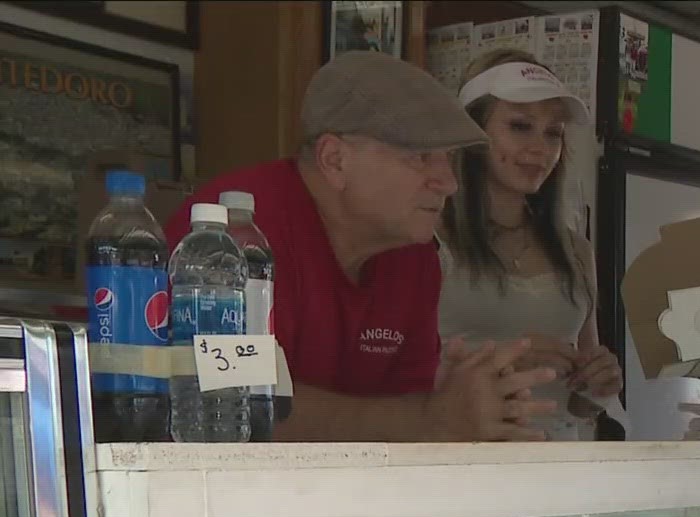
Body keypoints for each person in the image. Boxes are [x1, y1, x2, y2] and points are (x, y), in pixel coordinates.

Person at [167, 51, 556, 442]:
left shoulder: (415, 255)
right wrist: (429, 417)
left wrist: (463, 404)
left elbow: (406, 411)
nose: (448, 183)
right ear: (335, 160)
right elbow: (230, 404)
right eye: (420, 156)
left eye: (449, 159)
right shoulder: (231, 235)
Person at [438, 52, 622, 440]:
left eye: (553, 132)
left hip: (557, 474)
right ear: (471, 133)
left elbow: (578, 404)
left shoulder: (575, 251)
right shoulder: (429, 239)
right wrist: (503, 360)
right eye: (521, 126)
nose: (542, 148)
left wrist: (598, 386)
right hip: (458, 471)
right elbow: (387, 380)